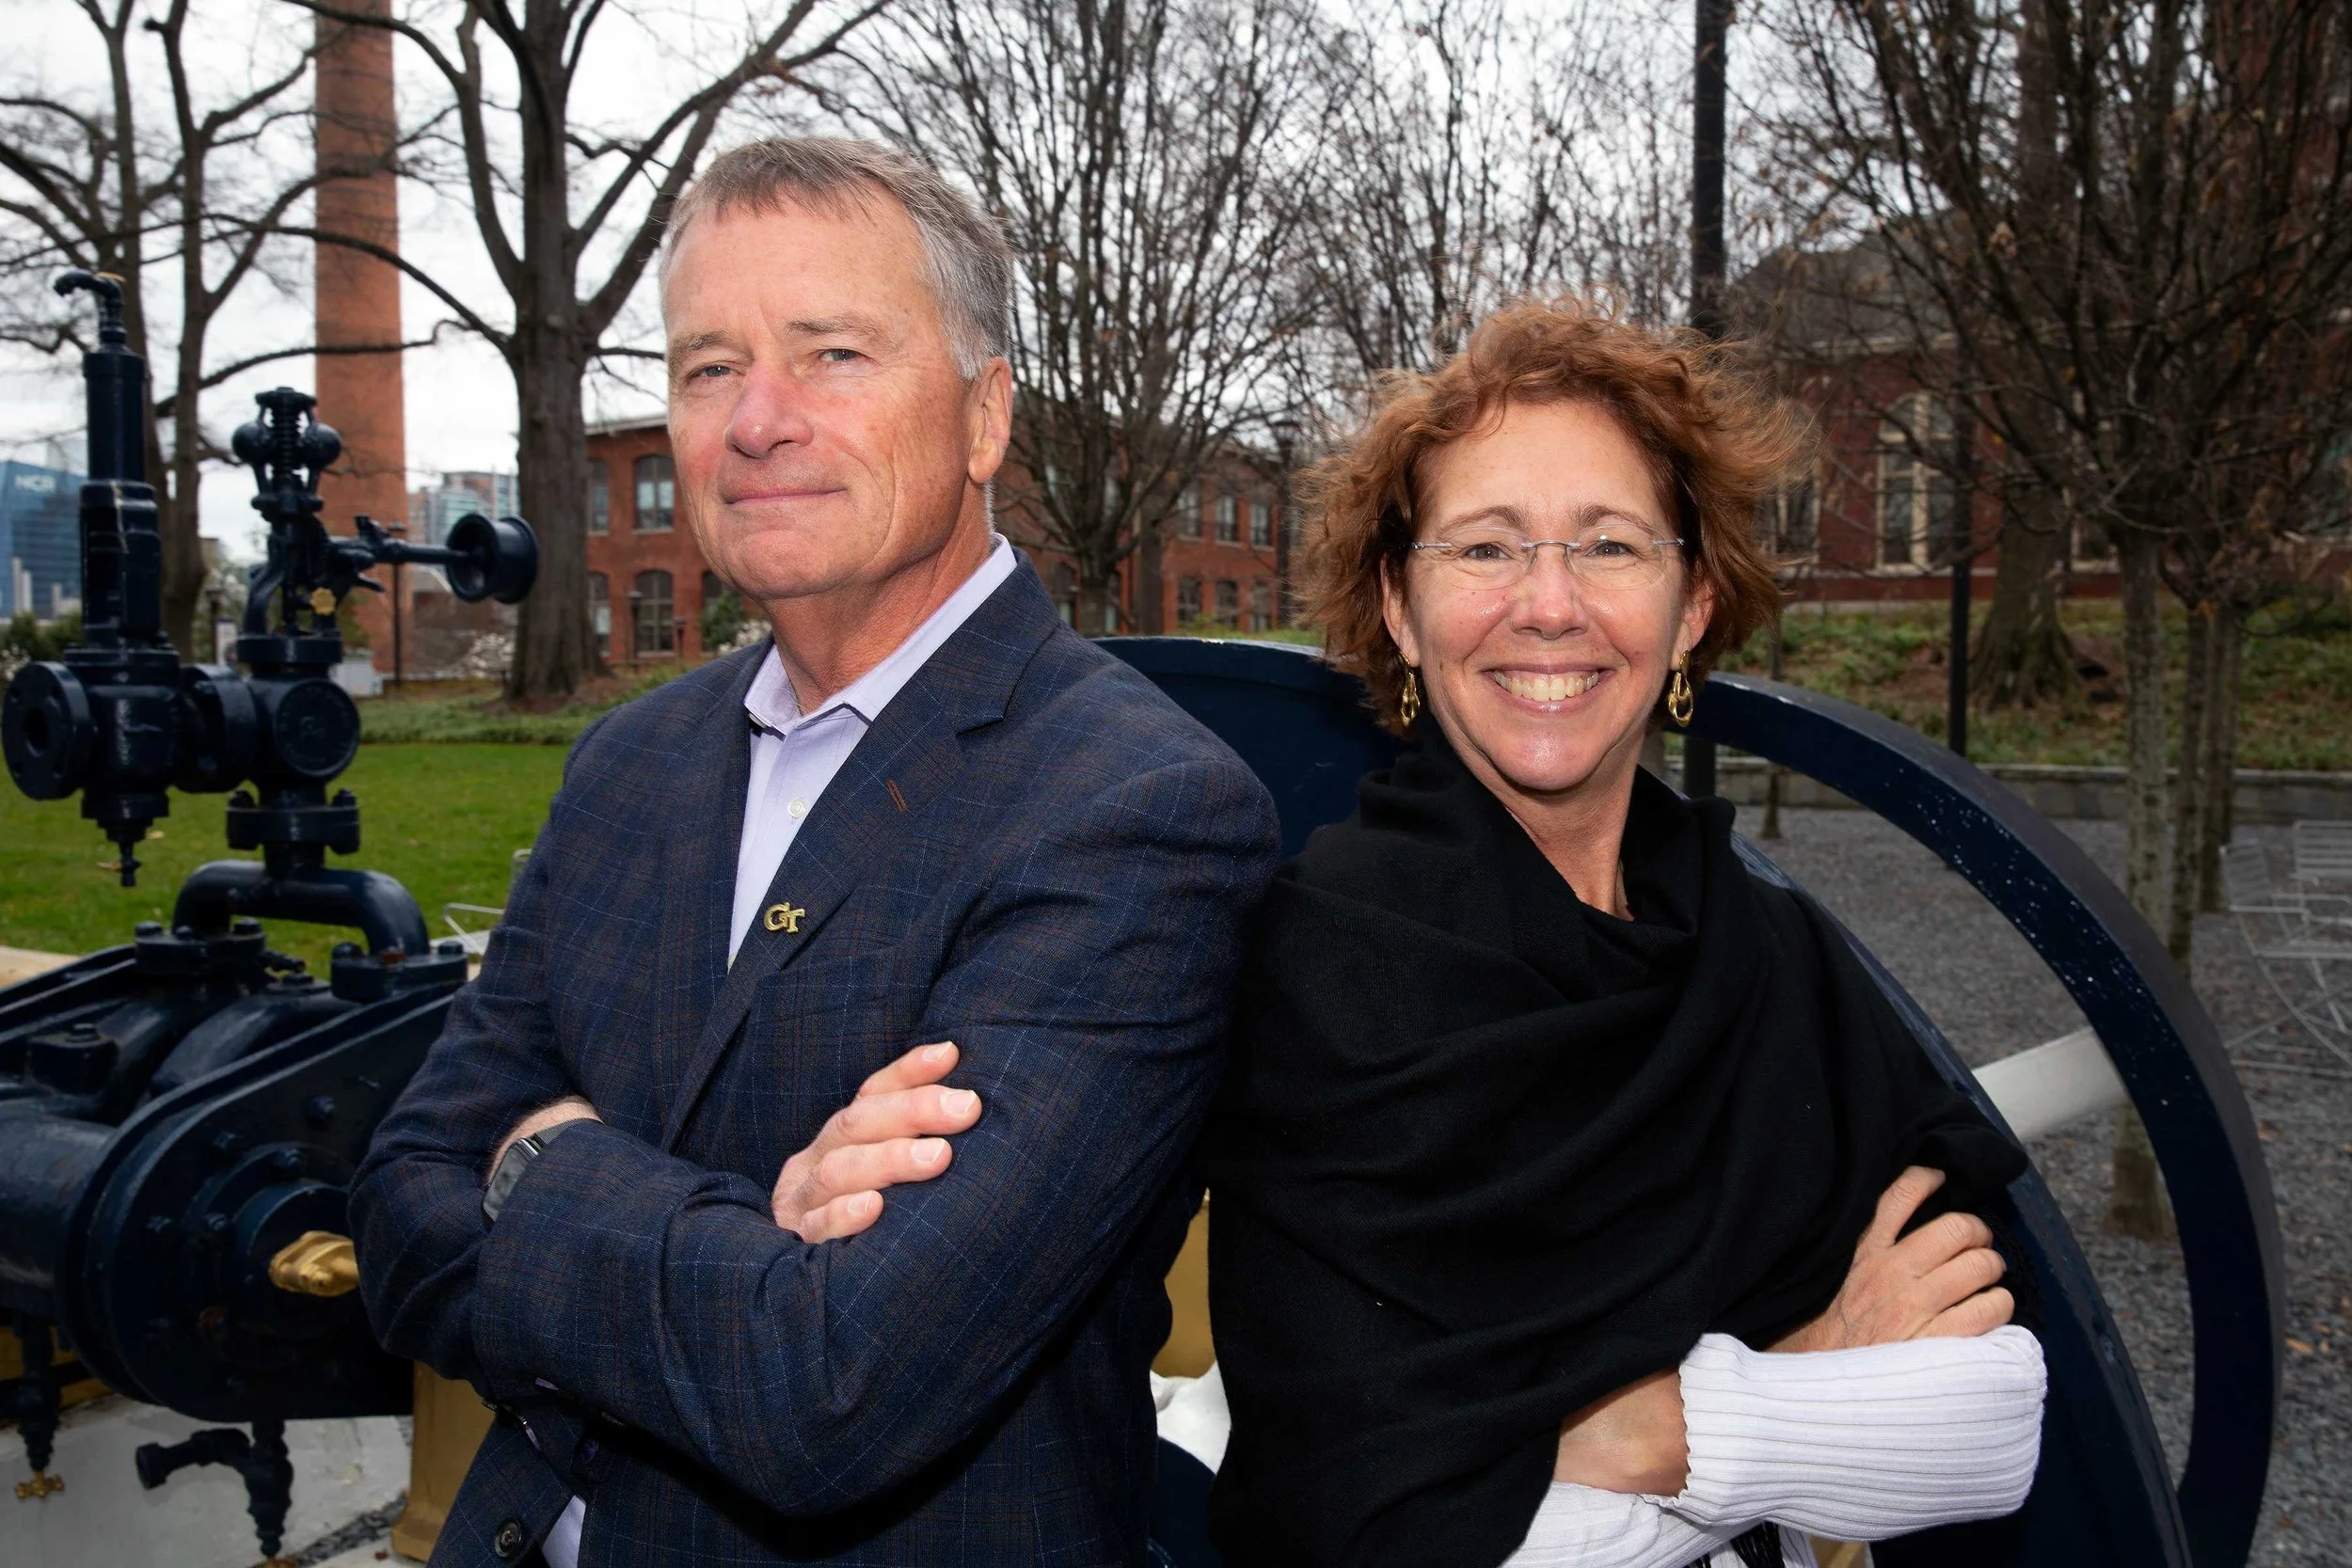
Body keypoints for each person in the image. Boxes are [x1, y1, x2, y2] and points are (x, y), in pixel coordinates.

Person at [349, 137, 1280, 1566]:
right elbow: (401, 1200)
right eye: (709, 366)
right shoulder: (629, 764)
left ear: (983, 417)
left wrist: (540, 1165)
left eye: (831, 353)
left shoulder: (1136, 806)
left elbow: (834, 1382)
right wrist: (751, 1240)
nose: (755, 421)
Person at [1202, 301, 2046, 1568]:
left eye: (1609, 544)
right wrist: (1808, 1376)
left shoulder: (1768, 954)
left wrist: (1624, 1435)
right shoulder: (1323, 972)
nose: (1550, 605)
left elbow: (1991, 1417)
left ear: (1692, 600)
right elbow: (1362, 1512)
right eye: (1485, 547)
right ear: (1398, 605)